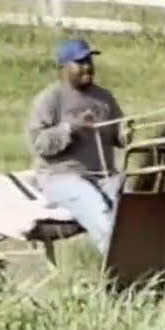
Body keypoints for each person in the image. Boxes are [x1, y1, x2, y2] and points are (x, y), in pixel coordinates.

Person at [24, 37, 130, 256]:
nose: (87, 67)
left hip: (104, 176)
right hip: (61, 177)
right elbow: (38, 144)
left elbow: (117, 134)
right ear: (63, 67)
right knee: (100, 212)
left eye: (89, 61)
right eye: (80, 62)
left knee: (135, 211)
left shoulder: (103, 98)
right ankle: (121, 267)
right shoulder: (49, 100)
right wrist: (71, 129)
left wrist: (124, 135)